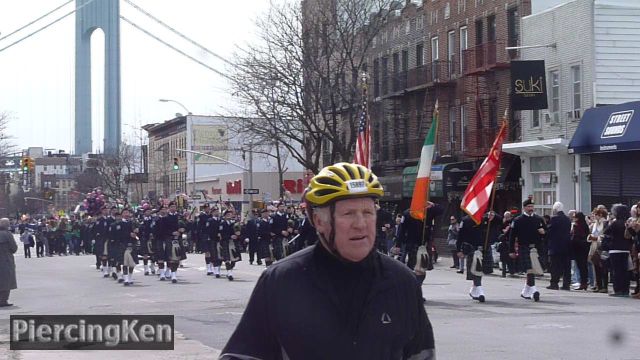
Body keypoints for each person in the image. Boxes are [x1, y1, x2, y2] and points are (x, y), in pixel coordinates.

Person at [220, 162, 435, 360]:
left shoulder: (402, 282)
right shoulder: (281, 281)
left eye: (368, 212)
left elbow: (421, 354)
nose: (361, 224)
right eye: (348, 214)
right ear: (318, 220)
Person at [510, 198, 547, 302]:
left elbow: (547, 233)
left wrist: (544, 232)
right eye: (529, 207)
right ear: (524, 208)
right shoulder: (518, 220)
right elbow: (512, 237)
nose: (531, 208)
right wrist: (511, 250)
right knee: (530, 269)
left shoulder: (539, 219)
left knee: (534, 269)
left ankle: (526, 291)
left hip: (536, 247)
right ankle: (533, 290)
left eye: (532, 206)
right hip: (524, 247)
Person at [604, 204, 633, 297]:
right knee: (624, 271)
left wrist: (609, 222)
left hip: (615, 249)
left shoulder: (614, 223)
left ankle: (618, 289)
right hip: (625, 249)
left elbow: (606, 231)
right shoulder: (627, 222)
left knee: (616, 271)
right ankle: (625, 289)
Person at [457, 214, 486, 302]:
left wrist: (493, 216)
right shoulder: (465, 220)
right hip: (470, 247)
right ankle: (480, 291)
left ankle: (474, 290)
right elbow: (460, 236)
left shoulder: (484, 218)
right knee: (476, 270)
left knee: (479, 270)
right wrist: (459, 249)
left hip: (482, 247)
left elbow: (499, 221)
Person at [546, 202, 572, 291]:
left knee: (555, 266)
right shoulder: (568, 219)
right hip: (566, 245)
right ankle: (566, 284)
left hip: (556, 245)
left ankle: (554, 283)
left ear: (555, 209)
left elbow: (550, 231)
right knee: (566, 266)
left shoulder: (554, 219)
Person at [570, 212, 591, 290]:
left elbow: (577, 237)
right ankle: (583, 282)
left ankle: (583, 283)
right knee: (582, 267)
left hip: (580, 248)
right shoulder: (583, 225)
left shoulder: (579, 226)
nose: (574, 219)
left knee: (582, 266)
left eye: (575, 217)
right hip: (582, 248)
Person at [0, 218, 17, 307]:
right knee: (6, 280)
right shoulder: (7, 234)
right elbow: (14, 248)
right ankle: (3, 300)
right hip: (5, 260)